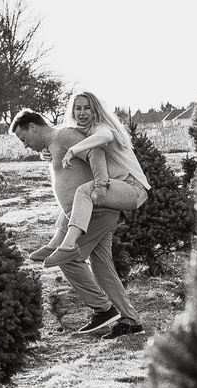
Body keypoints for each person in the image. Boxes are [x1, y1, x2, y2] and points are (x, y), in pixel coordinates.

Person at [11, 93, 146, 338]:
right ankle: (130, 321)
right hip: (92, 213)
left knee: (68, 258)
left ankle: (103, 309)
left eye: (23, 138)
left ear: (32, 127)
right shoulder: (55, 142)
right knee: (102, 267)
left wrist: (101, 186)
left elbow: (96, 153)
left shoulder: (63, 136)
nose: (24, 145)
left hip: (98, 209)